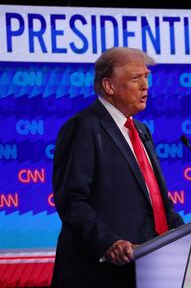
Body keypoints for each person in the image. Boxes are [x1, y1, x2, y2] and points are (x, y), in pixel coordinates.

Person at [51, 47, 184, 288]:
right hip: (99, 275)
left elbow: (155, 200)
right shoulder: (84, 127)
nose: (145, 86)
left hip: (148, 271)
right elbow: (72, 201)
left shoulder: (141, 131)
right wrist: (108, 243)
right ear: (109, 86)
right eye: (136, 78)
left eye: (146, 77)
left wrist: (186, 235)